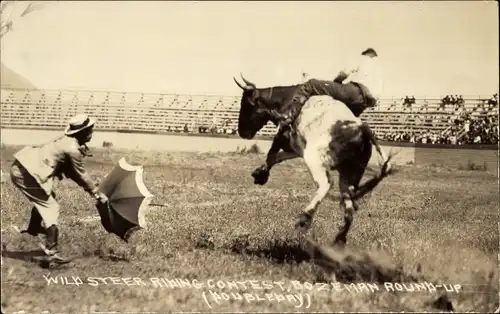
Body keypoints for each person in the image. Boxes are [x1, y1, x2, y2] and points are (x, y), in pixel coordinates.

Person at [9, 113, 108, 263]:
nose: (92, 133)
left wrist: (93, 190)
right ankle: (51, 252)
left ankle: (34, 228)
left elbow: (73, 173)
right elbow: (80, 174)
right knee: (51, 206)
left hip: (23, 168)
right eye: (90, 130)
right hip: (25, 172)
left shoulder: (67, 142)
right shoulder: (72, 148)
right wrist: (96, 193)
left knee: (48, 197)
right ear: (81, 132)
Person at [271, 48, 383, 129]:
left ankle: (289, 116)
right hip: (363, 104)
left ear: (366, 54)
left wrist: (336, 83)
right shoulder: (380, 69)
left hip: (355, 91)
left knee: (311, 84)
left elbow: (344, 73)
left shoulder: (364, 58)